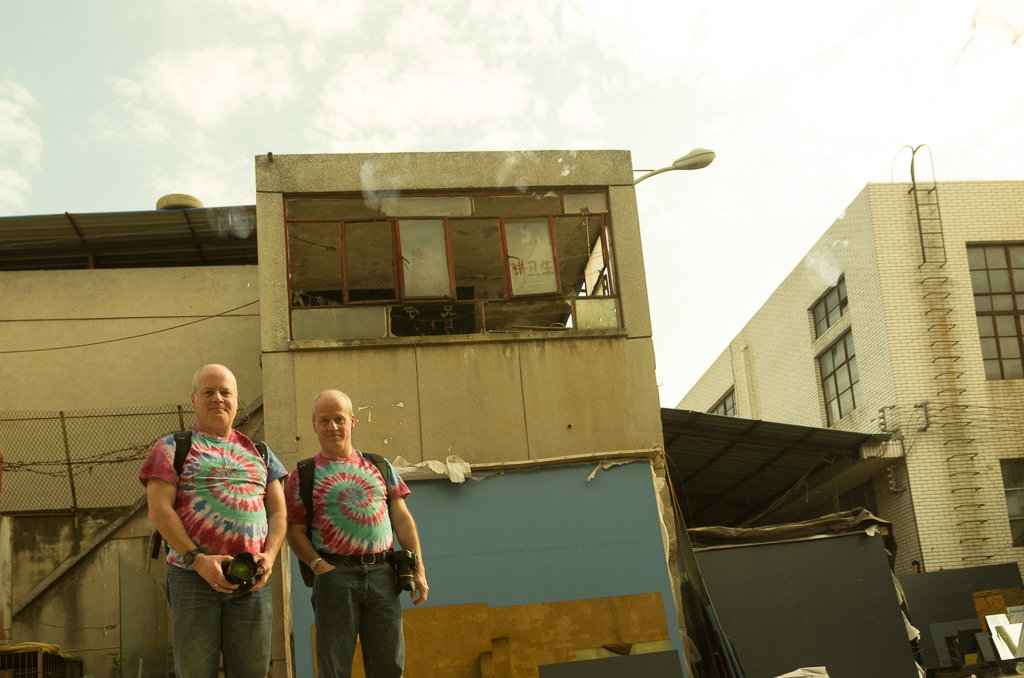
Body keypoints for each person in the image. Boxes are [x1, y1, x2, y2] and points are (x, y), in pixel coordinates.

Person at [140, 364, 288, 678]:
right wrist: (197, 560)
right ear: (194, 399)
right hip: (192, 579)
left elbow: (278, 512)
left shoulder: (260, 452)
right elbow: (159, 510)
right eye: (208, 392)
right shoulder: (171, 448)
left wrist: (270, 557)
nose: (217, 398)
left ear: (236, 399)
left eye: (225, 392)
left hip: (251, 580)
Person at [285, 389, 428, 678]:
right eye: (324, 420)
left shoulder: (380, 466)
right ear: (314, 425)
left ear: (352, 421)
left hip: (383, 577)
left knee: (388, 666)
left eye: (339, 419)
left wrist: (419, 570)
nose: (332, 427)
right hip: (333, 577)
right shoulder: (302, 475)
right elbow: (294, 531)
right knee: (334, 668)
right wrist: (318, 566)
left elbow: (402, 520)